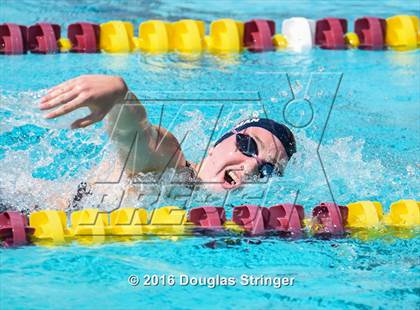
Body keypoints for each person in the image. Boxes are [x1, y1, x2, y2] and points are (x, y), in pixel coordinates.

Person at [39, 75, 296, 195]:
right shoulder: (172, 164)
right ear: (214, 146)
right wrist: (120, 96)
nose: (251, 166)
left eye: (268, 171)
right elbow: (136, 134)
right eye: (248, 145)